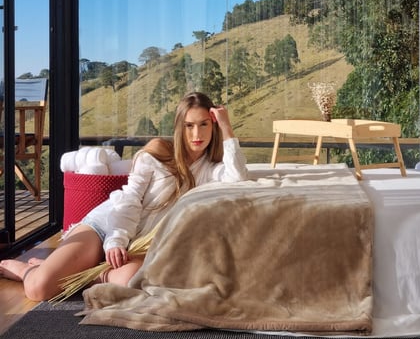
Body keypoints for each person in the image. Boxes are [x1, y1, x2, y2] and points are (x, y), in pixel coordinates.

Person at [0, 91, 247, 301]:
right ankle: (24, 270)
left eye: (204, 124)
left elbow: (238, 178)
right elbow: (130, 199)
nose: (196, 134)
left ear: (213, 126)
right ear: (178, 128)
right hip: (107, 227)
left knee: (133, 283)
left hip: (139, 246)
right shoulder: (159, 152)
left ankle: (84, 273)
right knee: (39, 289)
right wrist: (116, 240)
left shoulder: (211, 170)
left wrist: (226, 126)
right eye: (189, 125)